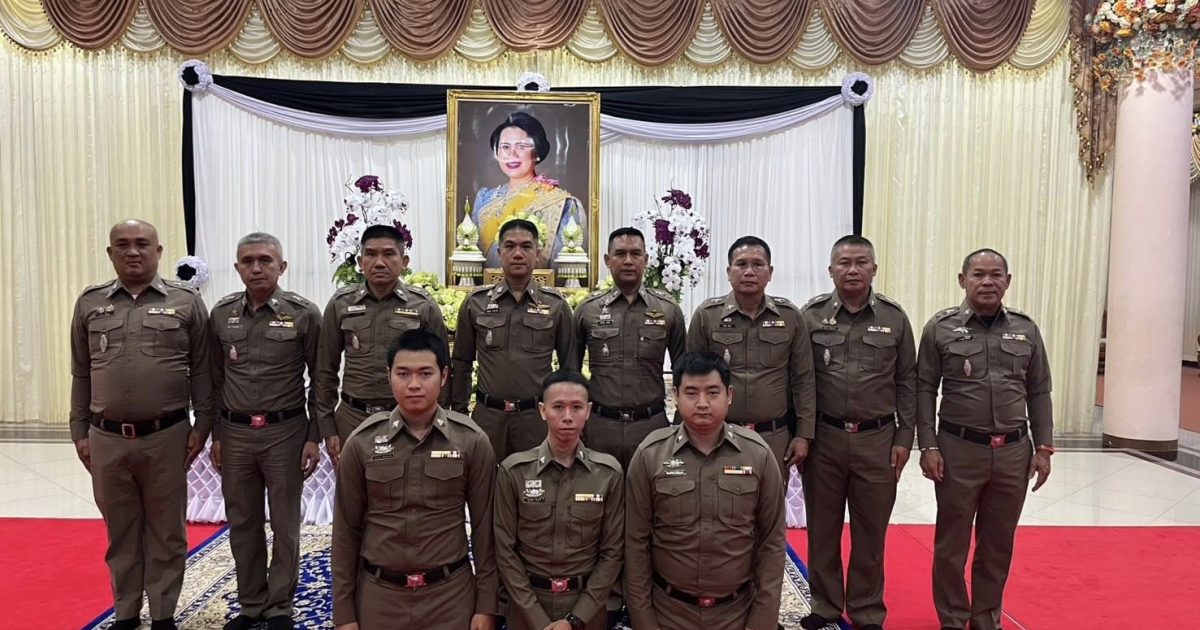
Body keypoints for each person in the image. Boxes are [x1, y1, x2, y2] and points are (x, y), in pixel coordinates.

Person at [69, 219, 216, 630]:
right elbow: (81, 372)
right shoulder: (90, 303)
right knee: (121, 531)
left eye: (142, 244)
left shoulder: (185, 302)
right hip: (107, 438)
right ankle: (126, 613)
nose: (132, 252)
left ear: (158, 251)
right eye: (122, 245)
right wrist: (79, 430)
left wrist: (203, 426)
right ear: (110, 253)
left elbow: (202, 371)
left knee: (167, 531)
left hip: (167, 436)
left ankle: (164, 614)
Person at [917, 249, 1053, 630]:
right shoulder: (940, 328)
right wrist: (928, 445)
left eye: (996, 275)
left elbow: (1039, 390)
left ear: (1008, 281)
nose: (988, 281)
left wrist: (1043, 448)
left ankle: (986, 620)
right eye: (978, 274)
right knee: (952, 545)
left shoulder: (1026, 329)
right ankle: (952, 619)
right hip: (958, 451)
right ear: (963, 280)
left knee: (997, 545)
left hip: (1013, 453)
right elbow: (924, 388)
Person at [331, 330, 498, 630]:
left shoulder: (471, 441)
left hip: (450, 598)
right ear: (389, 375)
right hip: (380, 599)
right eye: (403, 374)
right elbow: (345, 532)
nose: (414, 384)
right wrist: (344, 614)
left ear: (444, 376)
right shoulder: (362, 443)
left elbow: (485, 530)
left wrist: (486, 605)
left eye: (425, 373)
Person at [798, 235, 917, 630]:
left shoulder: (894, 318)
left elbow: (908, 382)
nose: (852, 270)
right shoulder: (810, 316)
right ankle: (826, 604)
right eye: (844, 263)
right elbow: (799, 380)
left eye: (861, 262)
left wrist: (905, 438)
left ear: (874, 269)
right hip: (825, 438)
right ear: (830, 270)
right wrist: (803, 434)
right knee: (823, 528)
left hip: (877, 440)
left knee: (870, 531)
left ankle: (866, 609)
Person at [208, 233, 322, 630]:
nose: (256, 268)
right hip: (236, 433)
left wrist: (314, 436)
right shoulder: (221, 314)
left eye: (265, 260)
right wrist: (217, 435)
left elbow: (321, 380)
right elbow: (214, 379)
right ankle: (251, 603)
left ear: (282, 266)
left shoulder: (304, 314)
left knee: (285, 523)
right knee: (243, 522)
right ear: (237, 267)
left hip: (285, 432)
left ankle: (279, 607)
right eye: (248, 261)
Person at [625, 351, 787, 630]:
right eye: (691, 393)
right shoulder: (650, 455)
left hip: (737, 614)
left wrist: (762, 621)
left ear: (729, 395)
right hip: (668, 614)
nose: (702, 403)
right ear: (676, 395)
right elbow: (635, 543)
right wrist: (643, 621)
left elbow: (772, 542)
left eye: (713, 392)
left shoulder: (757, 454)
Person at [495, 370, 624, 630]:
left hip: (586, 610)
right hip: (526, 609)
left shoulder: (608, 474)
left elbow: (612, 553)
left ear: (588, 411)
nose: (567, 416)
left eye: (576, 407)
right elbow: (505, 552)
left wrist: (575, 619)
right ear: (543, 411)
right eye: (558, 407)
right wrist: (537, 619)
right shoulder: (514, 471)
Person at [316, 224, 447, 468]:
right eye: (371, 254)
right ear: (360, 261)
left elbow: (442, 371)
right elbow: (325, 371)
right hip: (353, 418)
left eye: (388, 254)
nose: (379, 262)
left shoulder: (423, 306)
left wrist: (439, 423)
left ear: (404, 261)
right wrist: (327, 427)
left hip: (409, 419)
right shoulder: (340, 304)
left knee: (408, 486)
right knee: (352, 489)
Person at [686, 236, 816, 476]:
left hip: (773, 436)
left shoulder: (789, 316)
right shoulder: (707, 316)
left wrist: (803, 434)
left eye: (757, 264)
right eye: (741, 264)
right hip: (719, 435)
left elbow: (803, 379)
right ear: (728, 272)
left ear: (770, 272)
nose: (749, 272)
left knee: (771, 499)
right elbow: (691, 379)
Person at [452, 219, 574, 461]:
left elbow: (569, 368)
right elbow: (461, 363)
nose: (518, 253)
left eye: (526, 246)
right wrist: (459, 415)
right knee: (485, 482)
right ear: (499, 253)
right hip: (487, 418)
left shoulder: (556, 306)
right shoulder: (476, 303)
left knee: (535, 483)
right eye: (510, 246)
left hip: (536, 420)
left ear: (537, 253)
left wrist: (564, 416)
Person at [570, 227, 685, 469]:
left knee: (651, 492)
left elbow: (684, 372)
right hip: (600, 428)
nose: (628, 261)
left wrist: (679, 421)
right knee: (599, 491)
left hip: (651, 427)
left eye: (636, 254)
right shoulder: (587, 310)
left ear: (646, 259)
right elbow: (571, 373)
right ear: (607, 260)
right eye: (620, 254)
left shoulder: (668, 310)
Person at [472, 111, 584, 268]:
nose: (512, 154)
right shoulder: (484, 199)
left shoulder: (560, 202)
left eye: (522, 146)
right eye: (505, 147)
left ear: (536, 153)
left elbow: (564, 266)